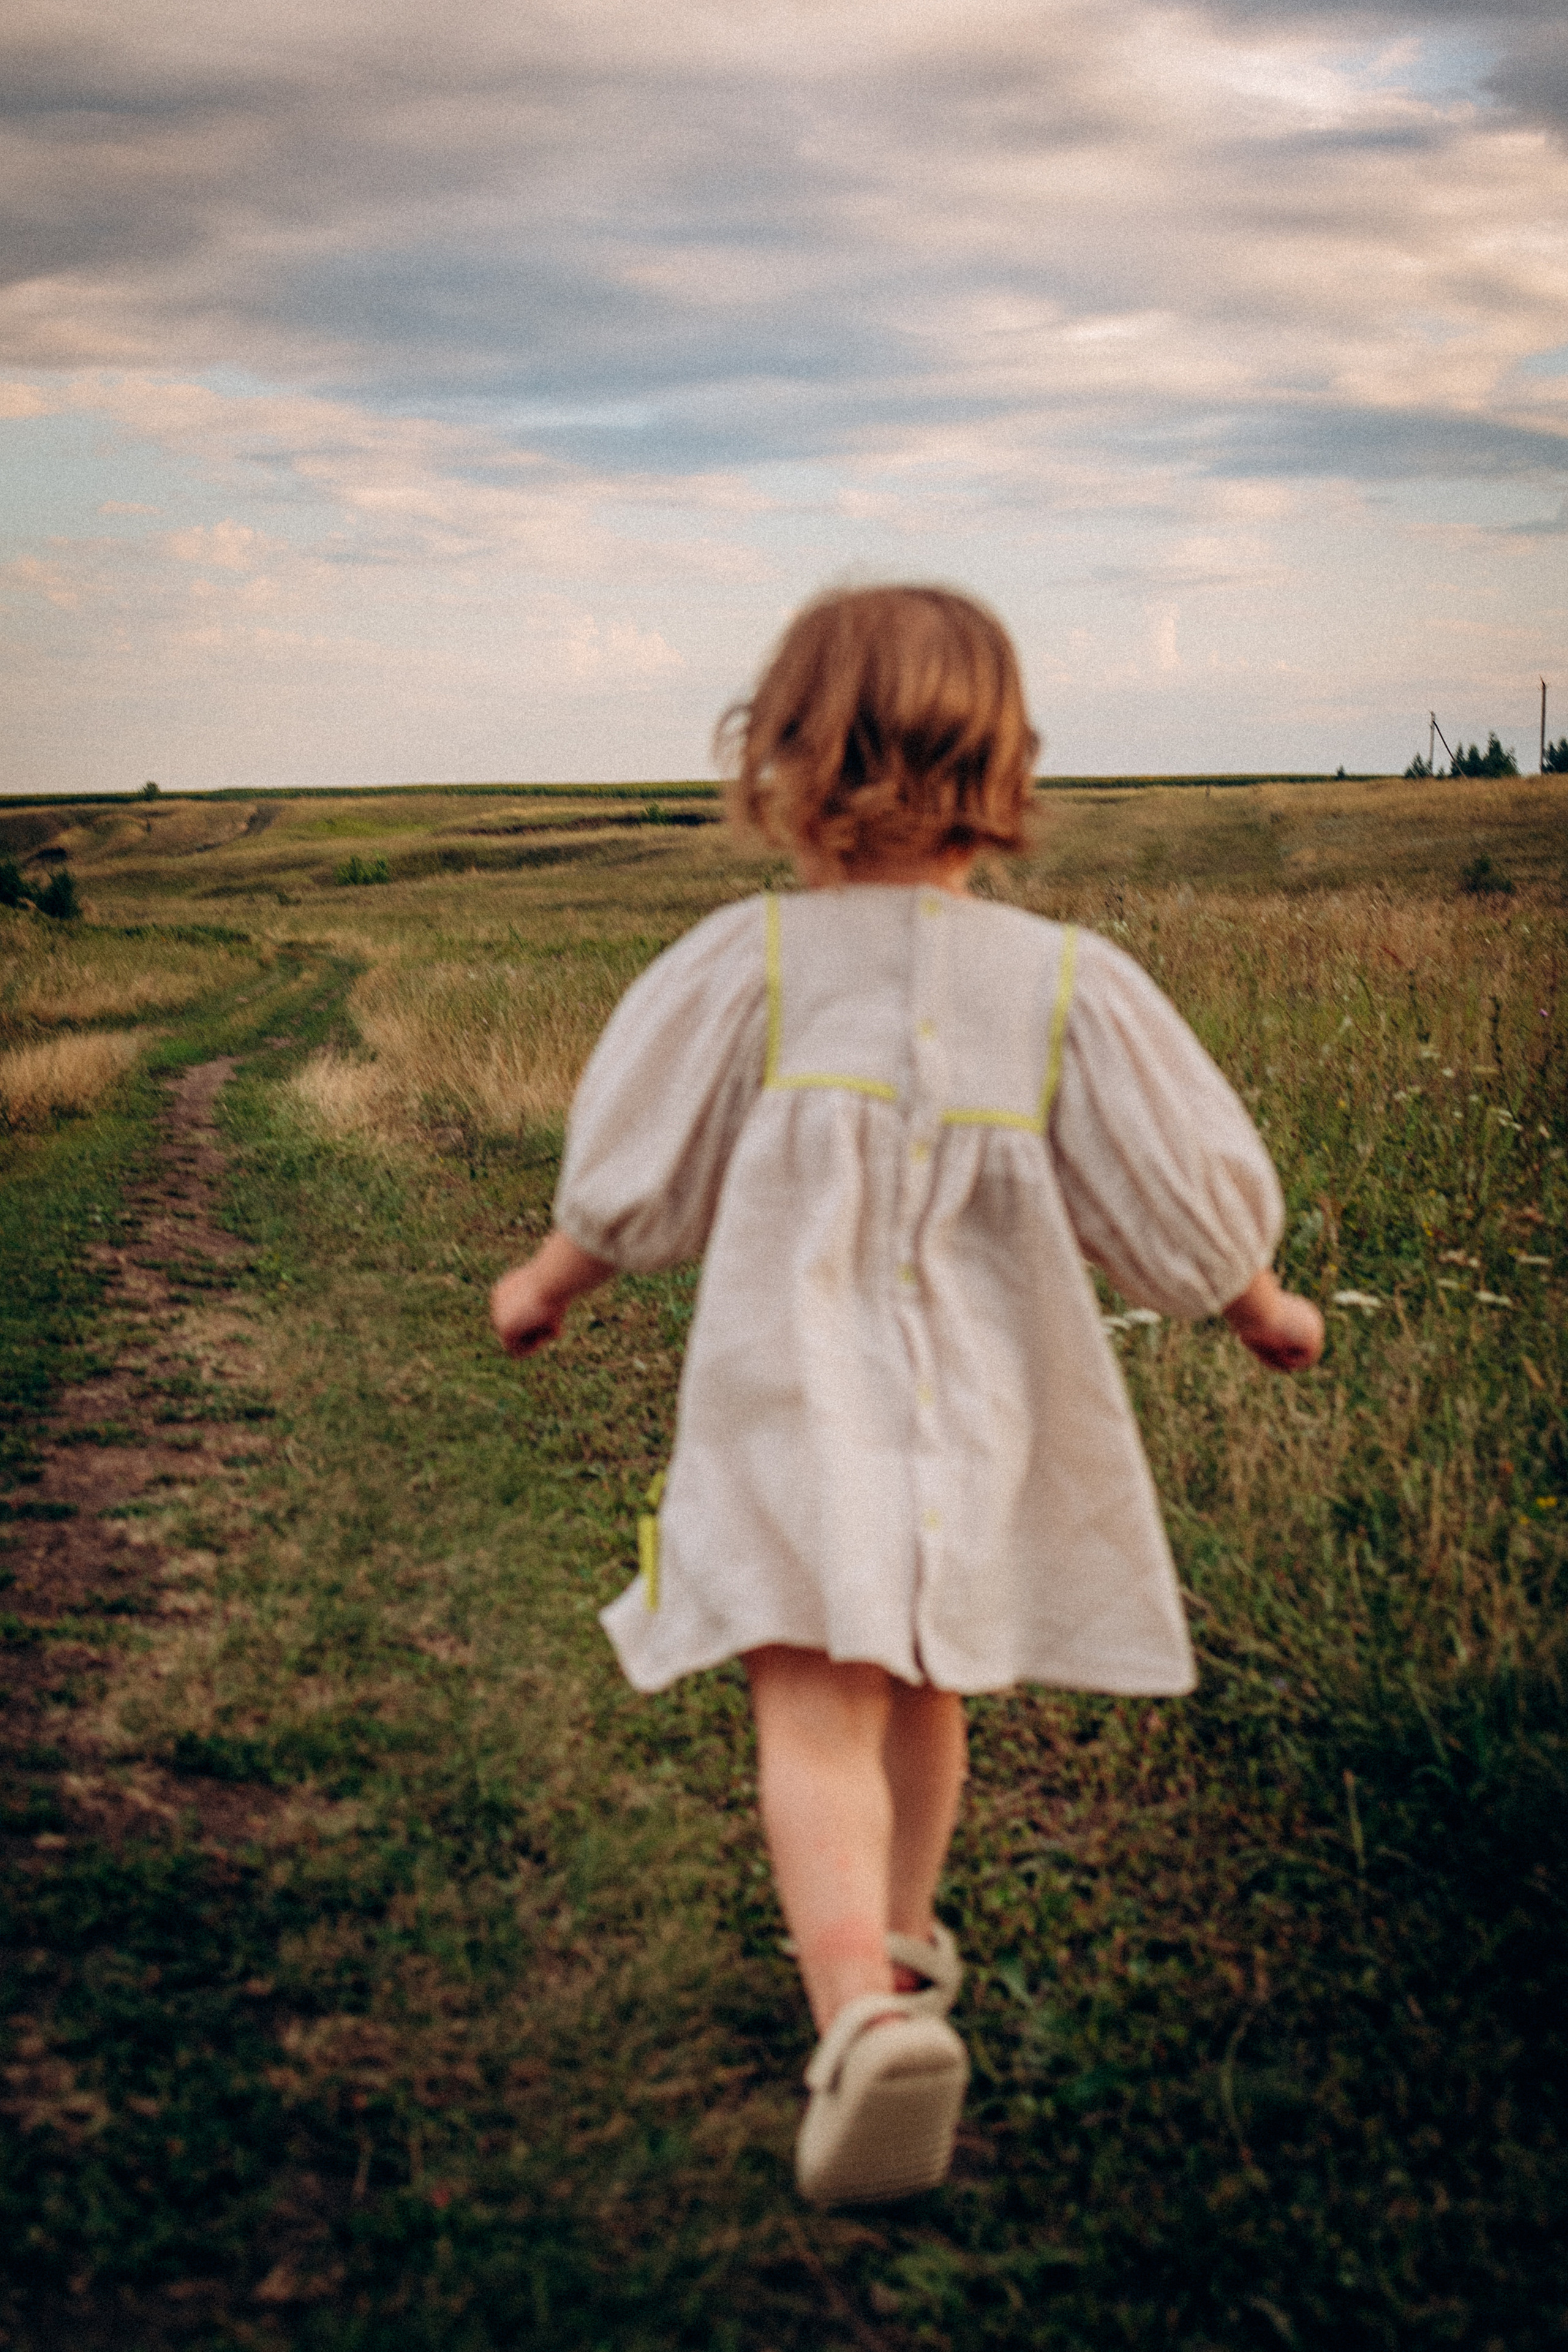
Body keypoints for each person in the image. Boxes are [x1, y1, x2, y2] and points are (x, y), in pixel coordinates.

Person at [490, 585, 1324, 2207]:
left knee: (812, 1701)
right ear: (1000, 766)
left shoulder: (756, 963)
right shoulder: (1065, 982)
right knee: (931, 1679)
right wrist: (1256, 1300)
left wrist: (551, 1279)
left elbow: (639, 1170)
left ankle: (856, 2014)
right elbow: (1165, 1185)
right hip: (982, 1423)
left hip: (797, 1403)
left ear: (786, 759)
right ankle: (903, 1942)